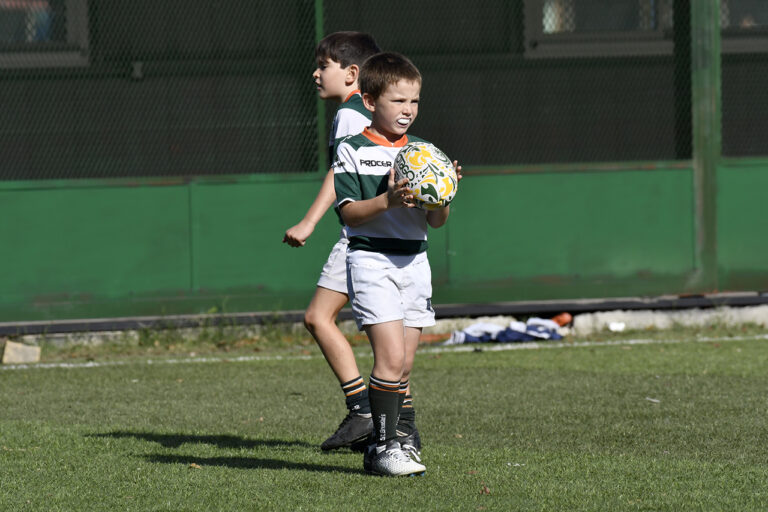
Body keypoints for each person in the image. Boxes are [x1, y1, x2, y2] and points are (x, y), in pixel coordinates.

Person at [333, 52, 459, 476]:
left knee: (403, 366)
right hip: (372, 261)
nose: (408, 111)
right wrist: (387, 199)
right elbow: (349, 214)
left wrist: (443, 193)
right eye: (398, 101)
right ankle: (383, 448)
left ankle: (397, 441)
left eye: (415, 102)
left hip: (414, 263)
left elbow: (436, 222)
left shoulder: (424, 152)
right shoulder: (352, 149)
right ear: (369, 101)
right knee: (388, 360)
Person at [282, 32, 386, 452]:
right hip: (378, 235)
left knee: (319, 318)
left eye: (323, 65)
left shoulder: (349, 113)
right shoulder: (368, 111)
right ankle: (377, 419)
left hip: (361, 237)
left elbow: (341, 172)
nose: (316, 72)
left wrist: (308, 222)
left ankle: (368, 413)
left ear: (352, 73)